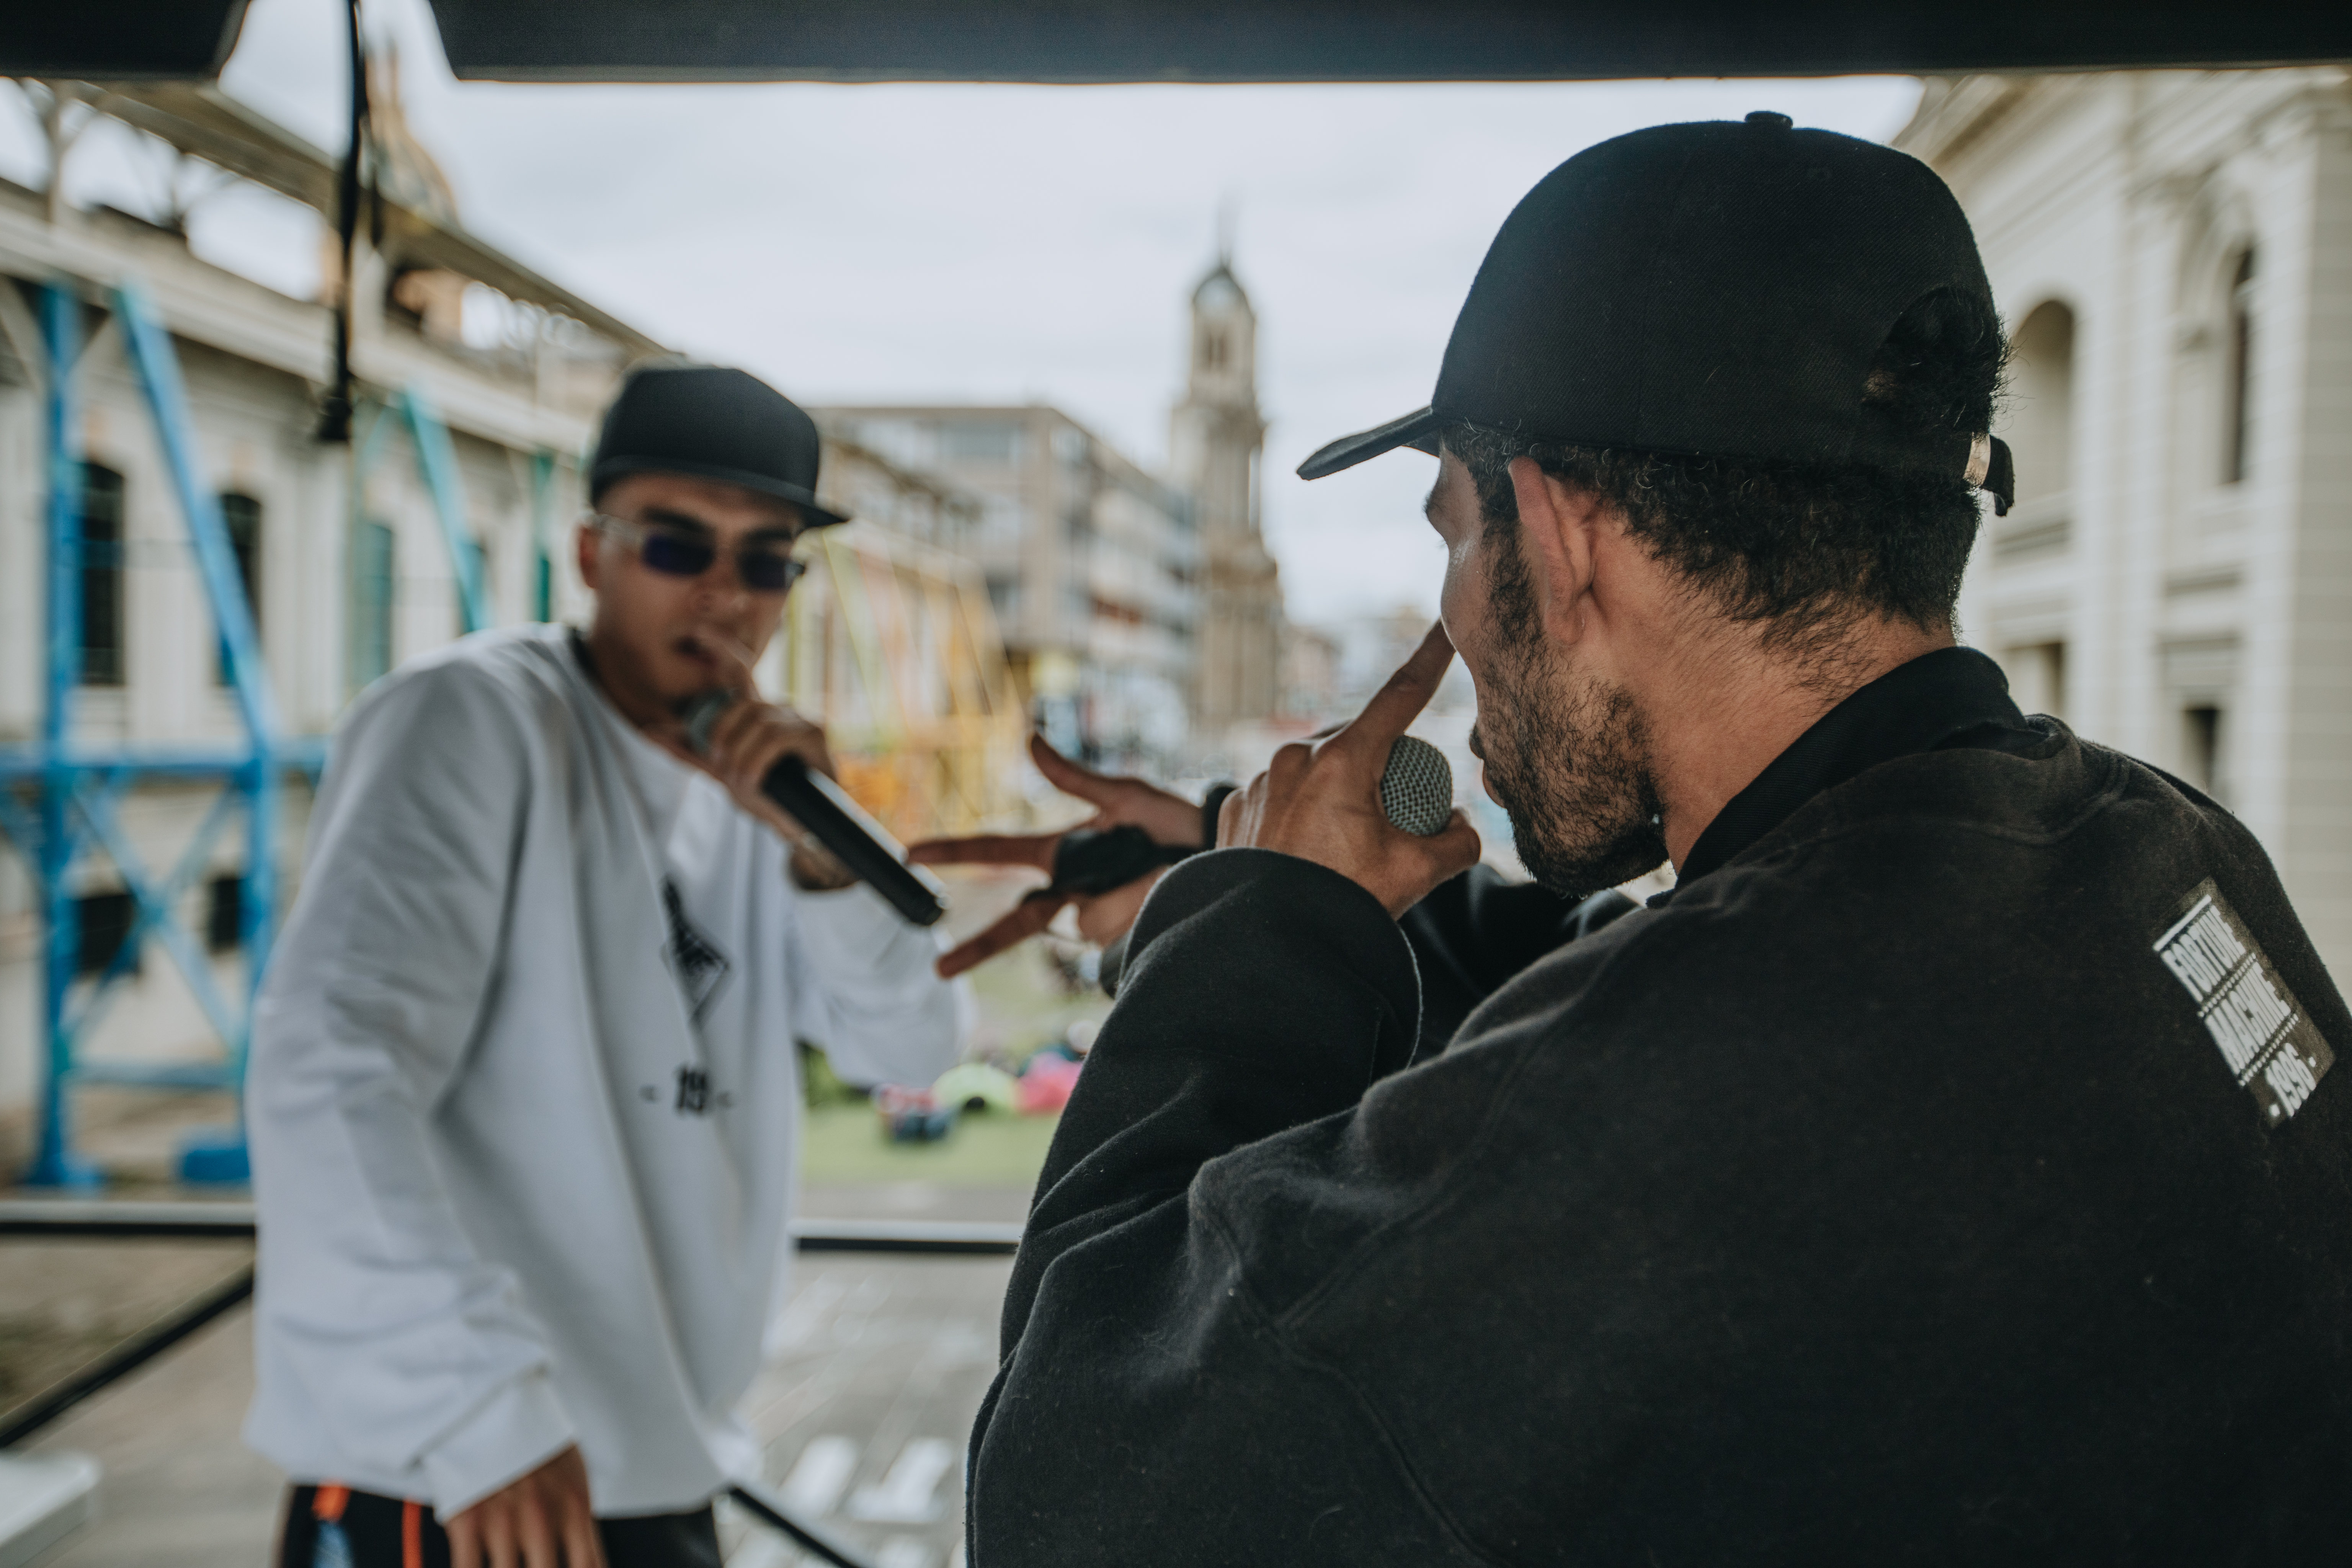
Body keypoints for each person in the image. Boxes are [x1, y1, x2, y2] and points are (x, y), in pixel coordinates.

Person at [928, 116, 2352, 1563]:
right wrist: (1241, 862)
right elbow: (1691, 981)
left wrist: (1257, 934)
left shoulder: (1688, 1101)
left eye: (1451, 533)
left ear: (1558, 536)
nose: (1453, 611)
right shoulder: (2159, 843)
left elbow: (1069, 1484)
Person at [247, 363, 964, 1568]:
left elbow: (913, 1047)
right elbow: (332, 1068)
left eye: (766, 560)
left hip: (657, 1467)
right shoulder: (472, 722)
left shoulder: (764, 788)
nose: (725, 595)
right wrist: (472, 1401)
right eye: (678, 547)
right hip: (464, 1479)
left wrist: (826, 863)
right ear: (590, 554)